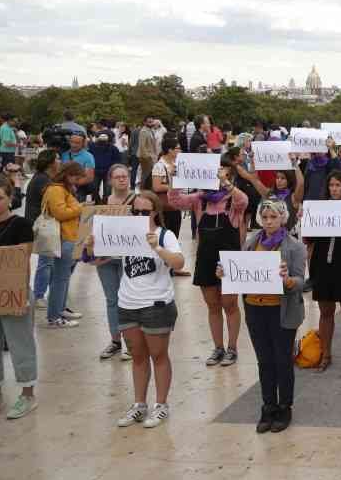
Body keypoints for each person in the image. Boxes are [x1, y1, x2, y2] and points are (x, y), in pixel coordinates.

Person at [217, 198, 305, 433]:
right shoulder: (250, 243)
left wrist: (287, 280)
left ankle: (285, 406)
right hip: (255, 308)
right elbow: (242, 271)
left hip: (281, 310)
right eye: (265, 217)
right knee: (264, 360)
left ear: (283, 218)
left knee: (282, 360)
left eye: (273, 217)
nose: (268, 222)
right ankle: (268, 405)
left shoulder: (294, 247)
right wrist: (226, 273)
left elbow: (300, 280)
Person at [113, 190, 185, 428]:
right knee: (137, 356)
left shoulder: (165, 235)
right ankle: (139, 404)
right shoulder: (124, 234)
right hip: (127, 303)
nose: (140, 215)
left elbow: (179, 263)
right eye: (135, 211)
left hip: (156, 304)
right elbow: (95, 259)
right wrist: (91, 246)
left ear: (155, 212)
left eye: (145, 212)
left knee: (158, 355)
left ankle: (161, 404)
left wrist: (157, 248)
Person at [169, 162, 249, 368]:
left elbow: (244, 200)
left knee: (230, 305)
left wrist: (225, 182)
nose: (218, 176)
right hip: (205, 257)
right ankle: (218, 347)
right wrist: (175, 179)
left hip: (230, 258)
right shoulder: (200, 199)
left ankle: (232, 348)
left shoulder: (233, 199)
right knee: (212, 305)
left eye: (223, 173)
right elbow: (176, 201)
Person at [306, 168, 341, 372]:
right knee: (326, 311)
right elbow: (310, 239)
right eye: (331, 185)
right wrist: (305, 221)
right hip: (323, 266)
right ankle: (326, 353)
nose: (334, 189)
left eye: (338, 185)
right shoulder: (319, 207)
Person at [86, 164, 136, 360]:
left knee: (129, 299)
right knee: (111, 300)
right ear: (110, 180)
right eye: (118, 177)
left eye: (125, 176)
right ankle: (115, 340)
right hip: (106, 258)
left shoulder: (137, 200)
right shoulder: (103, 202)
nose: (122, 179)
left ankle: (132, 343)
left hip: (128, 257)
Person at [0, 177, 38, 419]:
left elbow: (22, 262)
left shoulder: (21, 224)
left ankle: (27, 394)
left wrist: (22, 294)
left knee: (20, 344)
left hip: (14, 293)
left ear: (9, 198)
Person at [41, 161, 88, 327]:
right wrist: (80, 208)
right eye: (75, 177)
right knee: (60, 279)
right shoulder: (56, 190)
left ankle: (59, 310)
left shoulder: (62, 189)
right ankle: (54, 317)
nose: (77, 181)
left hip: (68, 237)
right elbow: (60, 213)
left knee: (63, 278)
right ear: (67, 175)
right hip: (62, 238)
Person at [26, 149, 58, 308]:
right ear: (51, 163)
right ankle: (39, 295)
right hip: (41, 224)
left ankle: (39, 293)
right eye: (57, 159)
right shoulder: (43, 181)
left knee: (46, 261)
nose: (59, 162)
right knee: (46, 261)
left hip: (38, 222)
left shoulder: (42, 178)